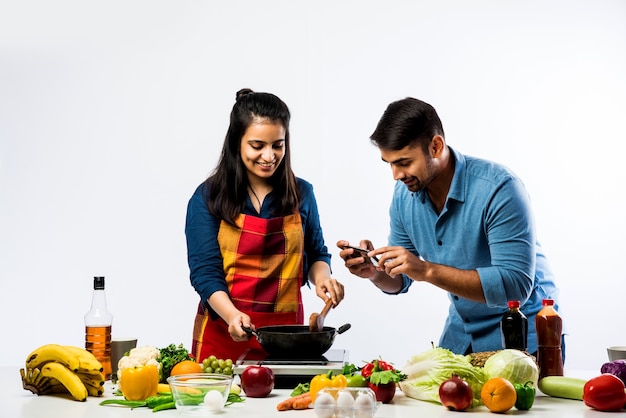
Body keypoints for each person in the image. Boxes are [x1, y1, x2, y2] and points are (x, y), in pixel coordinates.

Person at [337, 97, 563, 359]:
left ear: (435, 146)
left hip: (525, 337)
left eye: (404, 162)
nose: (396, 175)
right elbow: (401, 279)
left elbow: (515, 287)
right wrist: (374, 272)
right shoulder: (403, 194)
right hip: (462, 335)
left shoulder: (499, 188)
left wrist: (426, 270)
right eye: (390, 163)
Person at [185, 88, 344, 362]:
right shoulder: (207, 198)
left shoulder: (302, 194)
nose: (269, 156)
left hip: (288, 340)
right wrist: (233, 316)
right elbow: (205, 274)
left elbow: (317, 253)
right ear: (237, 141)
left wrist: (322, 279)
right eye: (257, 146)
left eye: (278, 145)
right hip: (225, 335)